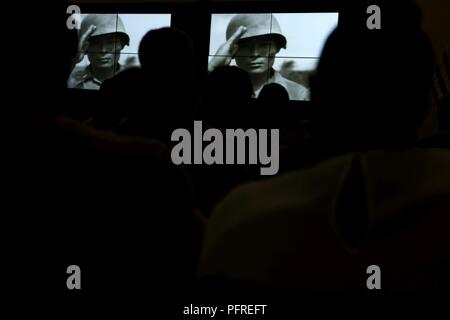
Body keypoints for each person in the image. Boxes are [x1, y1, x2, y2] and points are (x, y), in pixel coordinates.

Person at [208, 14, 310, 100]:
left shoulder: (300, 95)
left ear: (277, 48)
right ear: (231, 51)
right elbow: (196, 120)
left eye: (264, 45)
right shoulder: (213, 90)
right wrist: (211, 68)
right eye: (245, 46)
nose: (255, 53)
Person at [68, 14, 131, 90]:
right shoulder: (71, 81)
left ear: (122, 45)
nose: (103, 50)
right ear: (84, 47)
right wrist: (73, 61)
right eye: (95, 42)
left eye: (110, 42)